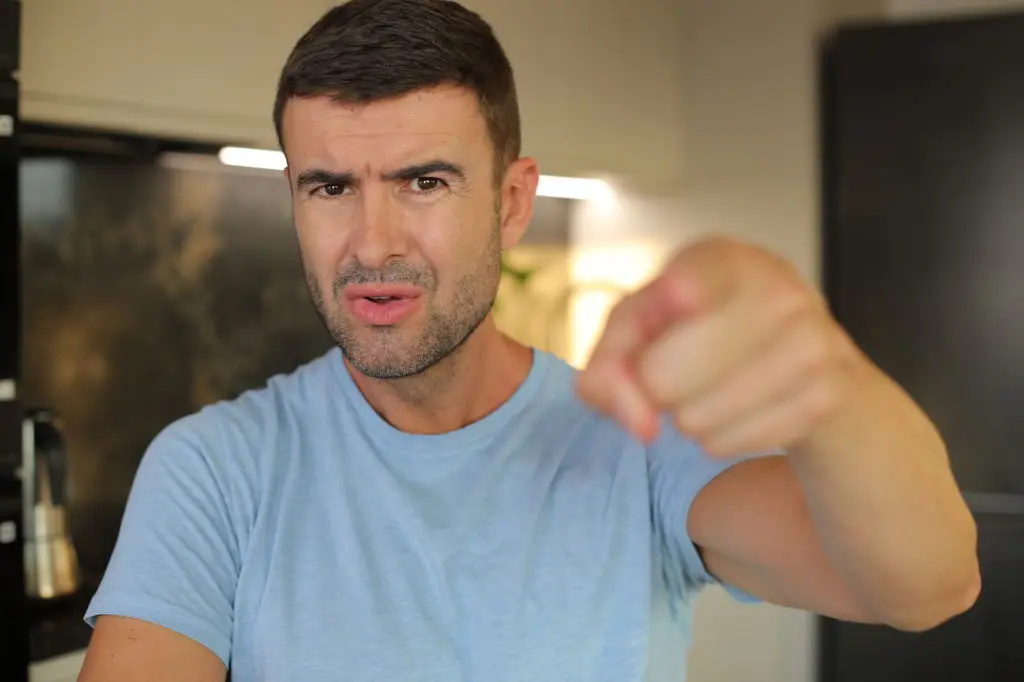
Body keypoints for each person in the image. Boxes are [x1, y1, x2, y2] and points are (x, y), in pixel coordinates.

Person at [77, 1, 980, 680]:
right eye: (330, 187)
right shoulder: (215, 471)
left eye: (424, 182)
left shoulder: (636, 452)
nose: (372, 243)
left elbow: (928, 587)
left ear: (512, 201)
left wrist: (826, 382)